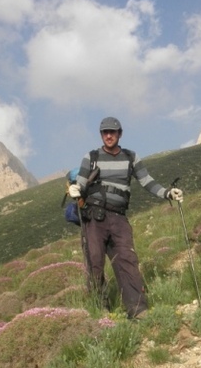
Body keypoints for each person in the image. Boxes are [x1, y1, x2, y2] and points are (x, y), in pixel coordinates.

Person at [69, 116, 183, 319]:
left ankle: (138, 309)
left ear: (120, 134)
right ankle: (100, 310)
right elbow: (81, 182)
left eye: (113, 132)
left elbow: (147, 181)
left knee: (127, 259)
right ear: (101, 135)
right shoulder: (91, 157)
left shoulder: (131, 158)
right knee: (94, 262)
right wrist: (75, 189)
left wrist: (167, 193)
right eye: (105, 132)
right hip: (94, 218)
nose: (109, 135)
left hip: (119, 218)